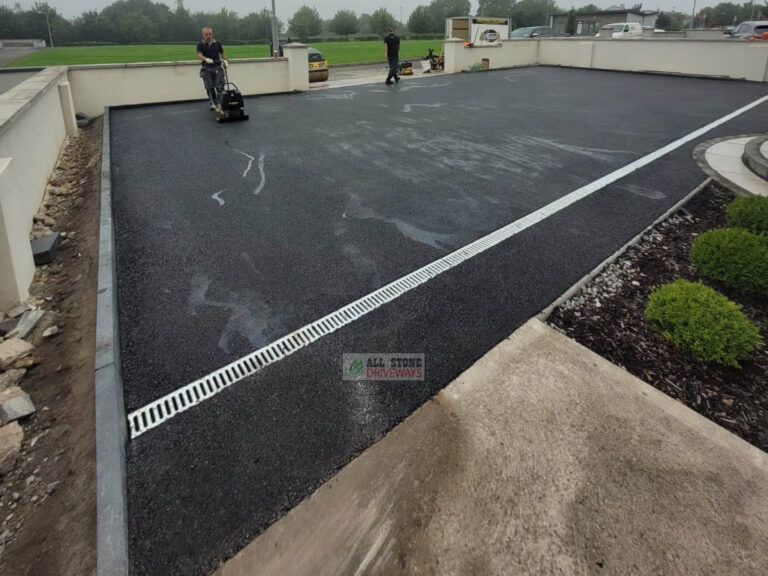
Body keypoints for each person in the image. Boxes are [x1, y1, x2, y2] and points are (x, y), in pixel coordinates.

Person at [197, 27, 229, 110]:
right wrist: (206, 59)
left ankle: (222, 102)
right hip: (207, 68)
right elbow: (199, 55)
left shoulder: (217, 43)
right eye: (206, 34)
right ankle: (213, 103)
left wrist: (225, 60)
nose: (208, 36)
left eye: (210, 34)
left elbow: (222, 52)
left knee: (220, 85)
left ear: (212, 34)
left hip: (217, 66)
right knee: (210, 87)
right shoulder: (200, 44)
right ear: (203, 35)